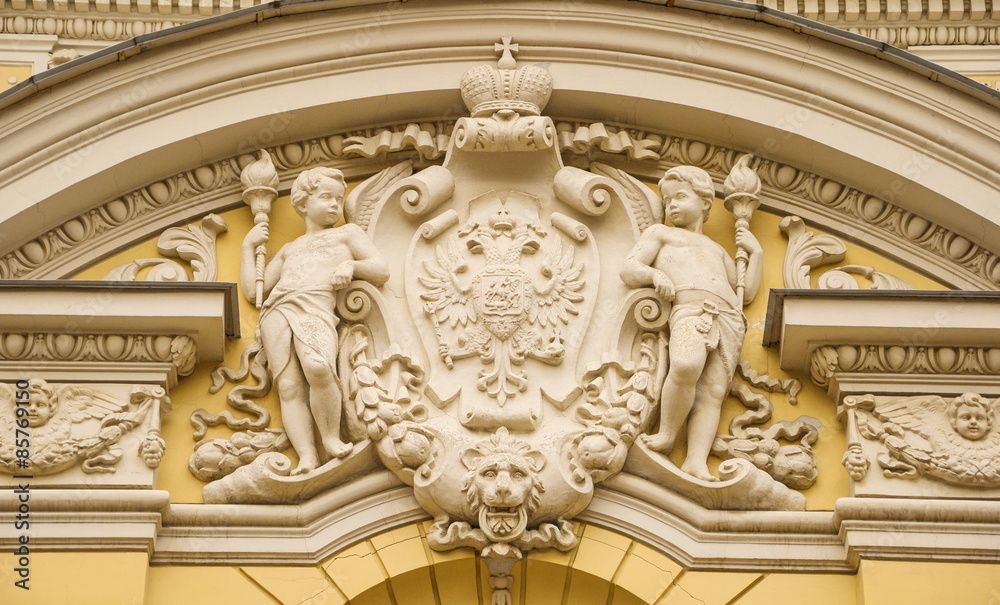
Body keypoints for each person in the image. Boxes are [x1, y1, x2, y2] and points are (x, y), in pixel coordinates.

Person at [242, 167, 390, 475]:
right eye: (326, 197)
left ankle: (330, 439)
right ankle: (307, 455)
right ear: (302, 203)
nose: (336, 205)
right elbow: (254, 289)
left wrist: (351, 266)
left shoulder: (347, 234)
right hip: (277, 309)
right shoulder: (288, 249)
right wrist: (247, 247)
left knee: (319, 367)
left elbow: (380, 269)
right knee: (288, 385)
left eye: (339, 199)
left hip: (315, 308)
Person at [620, 166, 763, 481]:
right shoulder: (661, 233)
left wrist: (756, 253)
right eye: (667, 200)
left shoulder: (719, 250)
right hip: (690, 308)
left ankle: (696, 460)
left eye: (680, 197)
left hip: (727, 316)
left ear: (704, 202)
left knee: (712, 391)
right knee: (685, 366)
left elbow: (747, 291)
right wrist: (655, 274)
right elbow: (629, 267)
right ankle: (667, 434)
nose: (671, 205)